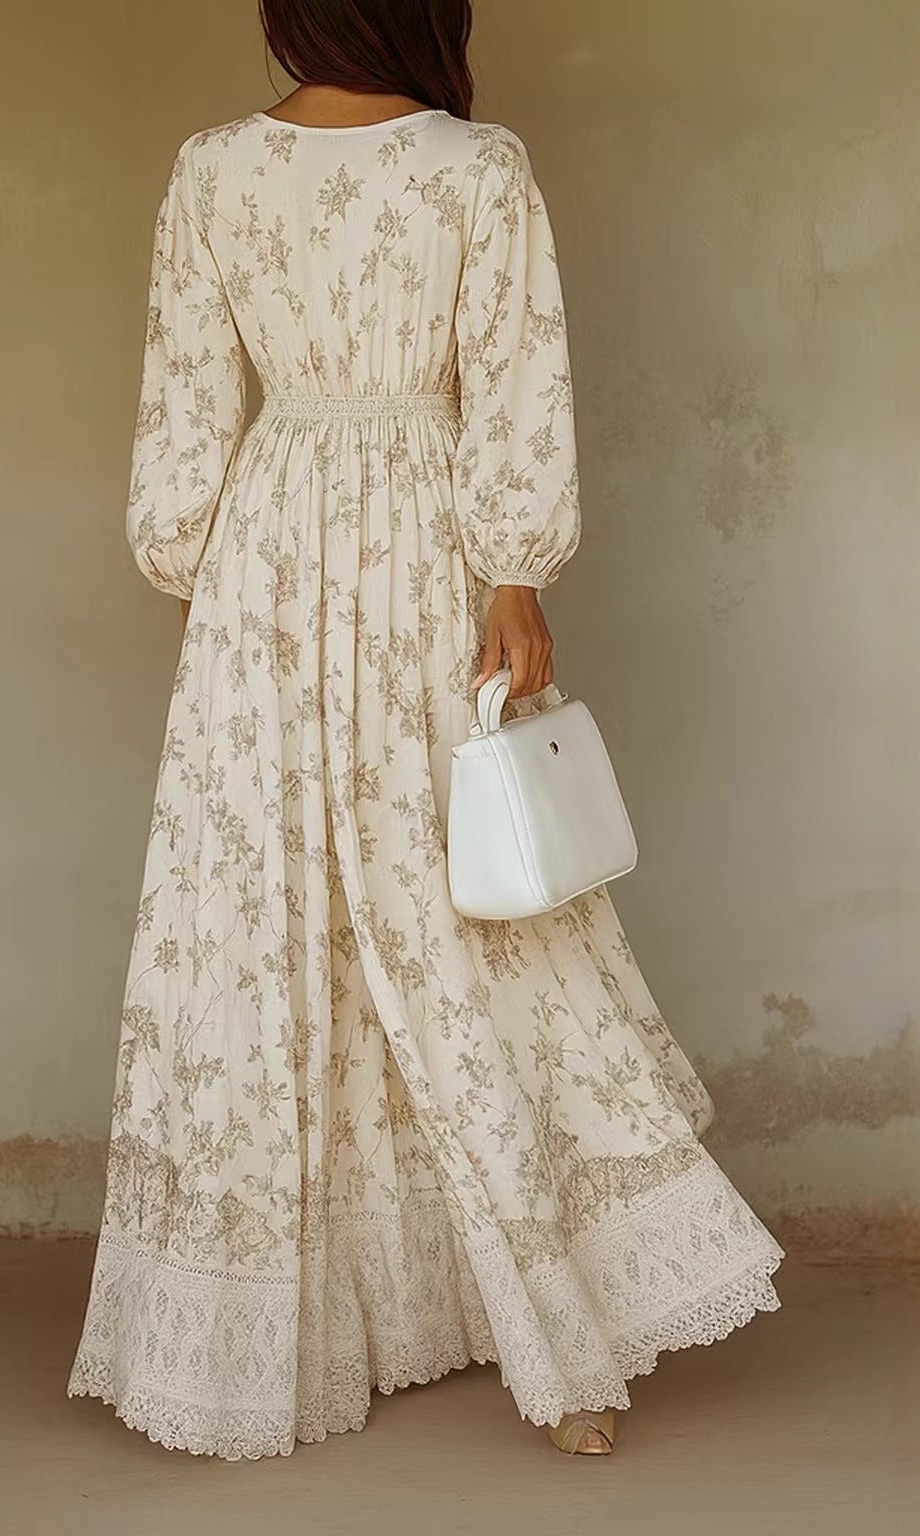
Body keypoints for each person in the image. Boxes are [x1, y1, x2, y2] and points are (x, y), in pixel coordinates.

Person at [67, 0, 784, 1460]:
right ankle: (538, 1343)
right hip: (418, 549)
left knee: (278, 918)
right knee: (456, 923)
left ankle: (517, 1330)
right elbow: (515, 385)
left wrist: (210, 571)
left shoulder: (214, 169)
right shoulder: (477, 167)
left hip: (263, 556)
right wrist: (512, 574)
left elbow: (182, 422)